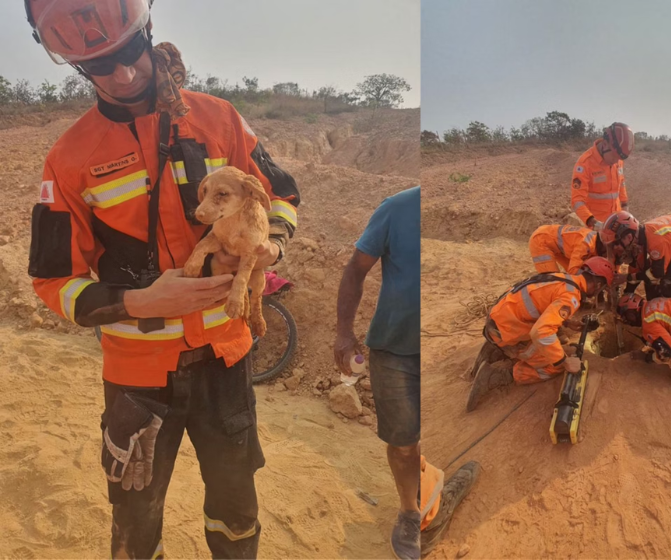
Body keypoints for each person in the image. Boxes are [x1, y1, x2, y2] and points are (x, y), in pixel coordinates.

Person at [25, 1, 300, 557]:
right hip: (136, 378)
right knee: (135, 522)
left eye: (129, 54)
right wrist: (139, 302)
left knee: (236, 509)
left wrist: (272, 245)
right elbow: (53, 282)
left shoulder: (218, 118)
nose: (123, 74)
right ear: (77, 68)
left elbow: (283, 195)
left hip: (226, 359)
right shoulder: (67, 159)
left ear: (147, 30)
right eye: (102, 66)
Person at [334, 186, 421, 559]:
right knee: (404, 445)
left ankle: (431, 493)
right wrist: (343, 333)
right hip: (395, 350)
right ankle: (409, 511)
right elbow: (355, 269)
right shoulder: (397, 208)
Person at [467, 257, 614, 411]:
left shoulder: (565, 279)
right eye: (601, 288)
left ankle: (495, 347)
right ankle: (496, 376)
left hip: (497, 319)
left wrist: (566, 322)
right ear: (597, 284)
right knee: (553, 367)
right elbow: (541, 332)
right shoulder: (571, 297)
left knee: (553, 335)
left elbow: (541, 303)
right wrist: (564, 361)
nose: (599, 292)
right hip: (506, 330)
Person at [570, 122, 634, 230]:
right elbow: (577, 201)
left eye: (619, 158)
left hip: (616, 223)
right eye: (614, 157)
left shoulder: (617, 160)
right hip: (596, 227)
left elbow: (621, 184)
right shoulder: (584, 164)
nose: (617, 161)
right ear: (605, 144)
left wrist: (625, 209)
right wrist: (594, 223)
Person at [528, 224, 606, 274]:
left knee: (574, 274)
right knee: (551, 279)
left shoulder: (596, 241)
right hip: (541, 240)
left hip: (558, 246)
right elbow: (573, 270)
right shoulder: (585, 244)